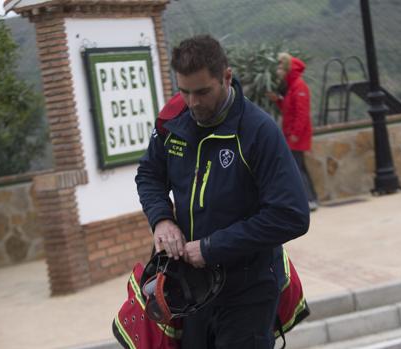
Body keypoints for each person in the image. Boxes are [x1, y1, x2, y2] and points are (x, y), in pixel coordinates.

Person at [135, 35, 310, 349]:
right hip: (190, 290)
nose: (193, 103)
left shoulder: (258, 131)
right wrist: (161, 219)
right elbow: (148, 174)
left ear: (226, 77)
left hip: (249, 290)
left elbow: (292, 215)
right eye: (184, 91)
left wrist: (211, 247)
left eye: (203, 91)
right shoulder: (172, 121)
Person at [267, 52, 319, 211]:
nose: (279, 70)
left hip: (296, 136)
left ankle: (309, 200)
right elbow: (288, 110)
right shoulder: (292, 87)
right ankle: (312, 198)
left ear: (288, 68)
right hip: (292, 135)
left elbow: (302, 113)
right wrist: (278, 101)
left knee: (297, 168)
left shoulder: (299, 86)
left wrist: (295, 134)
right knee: (300, 167)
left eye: (281, 67)